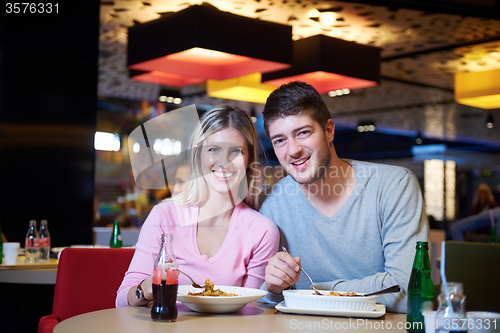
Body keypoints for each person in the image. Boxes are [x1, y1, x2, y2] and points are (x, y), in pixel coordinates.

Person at [259, 81, 429, 313]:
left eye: (303, 133)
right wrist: (275, 289)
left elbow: (409, 292)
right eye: (280, 140)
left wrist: (313, 291)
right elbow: (264, 299)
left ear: (329, 130)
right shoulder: (272, 205)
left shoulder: (394, 186)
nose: (292, 150)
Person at [116, 106, 280, 307]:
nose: (224, 162)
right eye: (213, 150)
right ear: (197, 155)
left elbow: (252, 309)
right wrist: (148, 288)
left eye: (236, 151)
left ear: (248, 160)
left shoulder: (261, 231)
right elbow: (122, 301)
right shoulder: (163, 216)